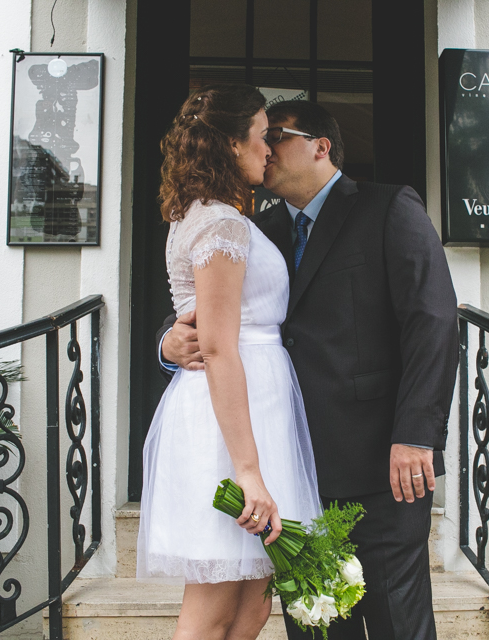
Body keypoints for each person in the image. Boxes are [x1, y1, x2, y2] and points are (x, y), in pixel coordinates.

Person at [159, 100, 458, 639]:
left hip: (376, 461)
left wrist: (416, 433)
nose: (265, 147)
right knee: (316, 624)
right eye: (260, 135)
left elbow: (432, 322)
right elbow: (212, 307)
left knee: (397, 617)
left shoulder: (389, 208)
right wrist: (169, 340)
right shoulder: (251, 226)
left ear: (321, 146)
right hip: (287, 462)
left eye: (278, 134)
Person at [137, 84, 321, 640]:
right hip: (231, 423)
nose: (269, 150)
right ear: (231, 144)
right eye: (262, 138)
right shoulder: (220, 223)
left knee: (253, 605)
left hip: (257, 402)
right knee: (214, 608)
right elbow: (217, 345)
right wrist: (247, 470)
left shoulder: (219, 215)